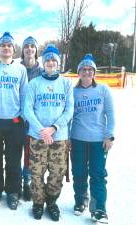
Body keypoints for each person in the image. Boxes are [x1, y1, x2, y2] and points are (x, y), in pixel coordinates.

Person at [24, 44, 74, 221]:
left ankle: (51, 202)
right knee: (36, 172)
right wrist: (41, 130)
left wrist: (53, 128)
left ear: (58, 63)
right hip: (37, 136)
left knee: (57, 171)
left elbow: (69, 110)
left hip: (59, 138)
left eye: (54, 59)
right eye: (47, 60)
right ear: (43, 63)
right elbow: (27, 110)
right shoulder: (34, 83)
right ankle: (38, 203)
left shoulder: (66, 83)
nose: (51, 62)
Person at [0, 32, 28, 210]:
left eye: (9, 45)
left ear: (13, 49)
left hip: (14, 121)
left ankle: (13, 192)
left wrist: (23, 117)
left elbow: (24, 94)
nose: (6, 48)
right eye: (3, 45)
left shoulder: (20, 69)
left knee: (13, 159)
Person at [70, 54, 115, 224]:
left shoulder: (103, 89)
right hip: (77, 139)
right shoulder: (73, 92)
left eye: (90, 69)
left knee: (97, 174)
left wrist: (109, 135)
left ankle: (99, 208)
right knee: (79, 173)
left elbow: (110, 114)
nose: (87, 72)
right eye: (83, 69)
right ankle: (80, 200)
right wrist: (67, 138)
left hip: (98, 140)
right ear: (79, 72)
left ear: (94, 72)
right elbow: (69, 117)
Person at [20, 36, 42, 201]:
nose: (29, 49)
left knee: (29, 153)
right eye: (26, 46)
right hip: (17, 118)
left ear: (36, 50)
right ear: (22, 50)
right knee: (13, 152)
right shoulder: (16, 68)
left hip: (34, 120)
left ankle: (26, 182)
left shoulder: (41, 72)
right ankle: (14, 181)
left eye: (32, 46)